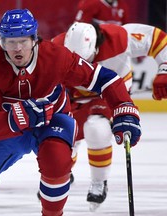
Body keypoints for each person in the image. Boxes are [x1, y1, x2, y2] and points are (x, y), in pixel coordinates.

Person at [0, 9, 141, 215]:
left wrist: (124, 108)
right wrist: (16, 119)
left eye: (23, 41)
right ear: (1, 42)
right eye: (9, 42)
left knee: (57, 164)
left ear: (34, 39)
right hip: (9, 128)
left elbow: (105, 78)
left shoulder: (56, 56)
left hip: (52, 121)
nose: (17, 49)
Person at [51, 21, 167, 210]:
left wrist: (164, 69)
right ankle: (61, 173)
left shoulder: (121, 37)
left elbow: (159, 39)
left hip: (111, 93)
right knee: (63, 133)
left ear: (96, 46)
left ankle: (99, 181)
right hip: (75, 96)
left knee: (96, 128)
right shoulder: (56, 47)